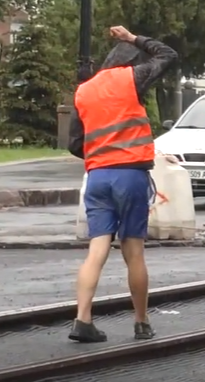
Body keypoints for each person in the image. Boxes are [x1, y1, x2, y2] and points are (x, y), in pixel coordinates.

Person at [67, 25, 178, 343]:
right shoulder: (132, 77)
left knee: (96, 249)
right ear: (131, 63)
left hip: (98, 176)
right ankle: (141, 322)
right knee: (134, 252)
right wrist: (134, 38)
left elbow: (75, 142)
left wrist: (100, 153)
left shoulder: (84, 90)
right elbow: (169, 55)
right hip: (129, 176)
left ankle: (82, 320)